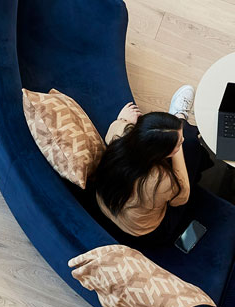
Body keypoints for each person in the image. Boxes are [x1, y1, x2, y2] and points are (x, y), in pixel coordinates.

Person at [87, 86, 210, 248]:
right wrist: (179, 148)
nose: (180, 144)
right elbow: (182, 197)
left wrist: (123, 120)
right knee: (192, 146)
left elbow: (119, 127)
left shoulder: (118, 140)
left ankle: (178, 118)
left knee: (188, 140)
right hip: (145, 233)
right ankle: (180, 116)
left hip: (109, 206)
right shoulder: (161, 180)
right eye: (177, 143)